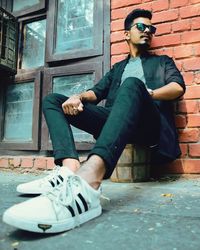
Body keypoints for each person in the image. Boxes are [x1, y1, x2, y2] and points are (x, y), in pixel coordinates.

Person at [3, 9, 185, 233]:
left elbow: (177, 87)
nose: (147, 30)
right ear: (126, 34)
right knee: (53, 100)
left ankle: (89, 182)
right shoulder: (118, 68)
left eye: (151, 28)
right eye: (141, 26)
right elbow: (95, 93)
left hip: (149, 126)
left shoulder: (162, 62)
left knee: (132, 85)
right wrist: (76, 97)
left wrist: (149, 93)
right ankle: (69, 168)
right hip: (116, 122)